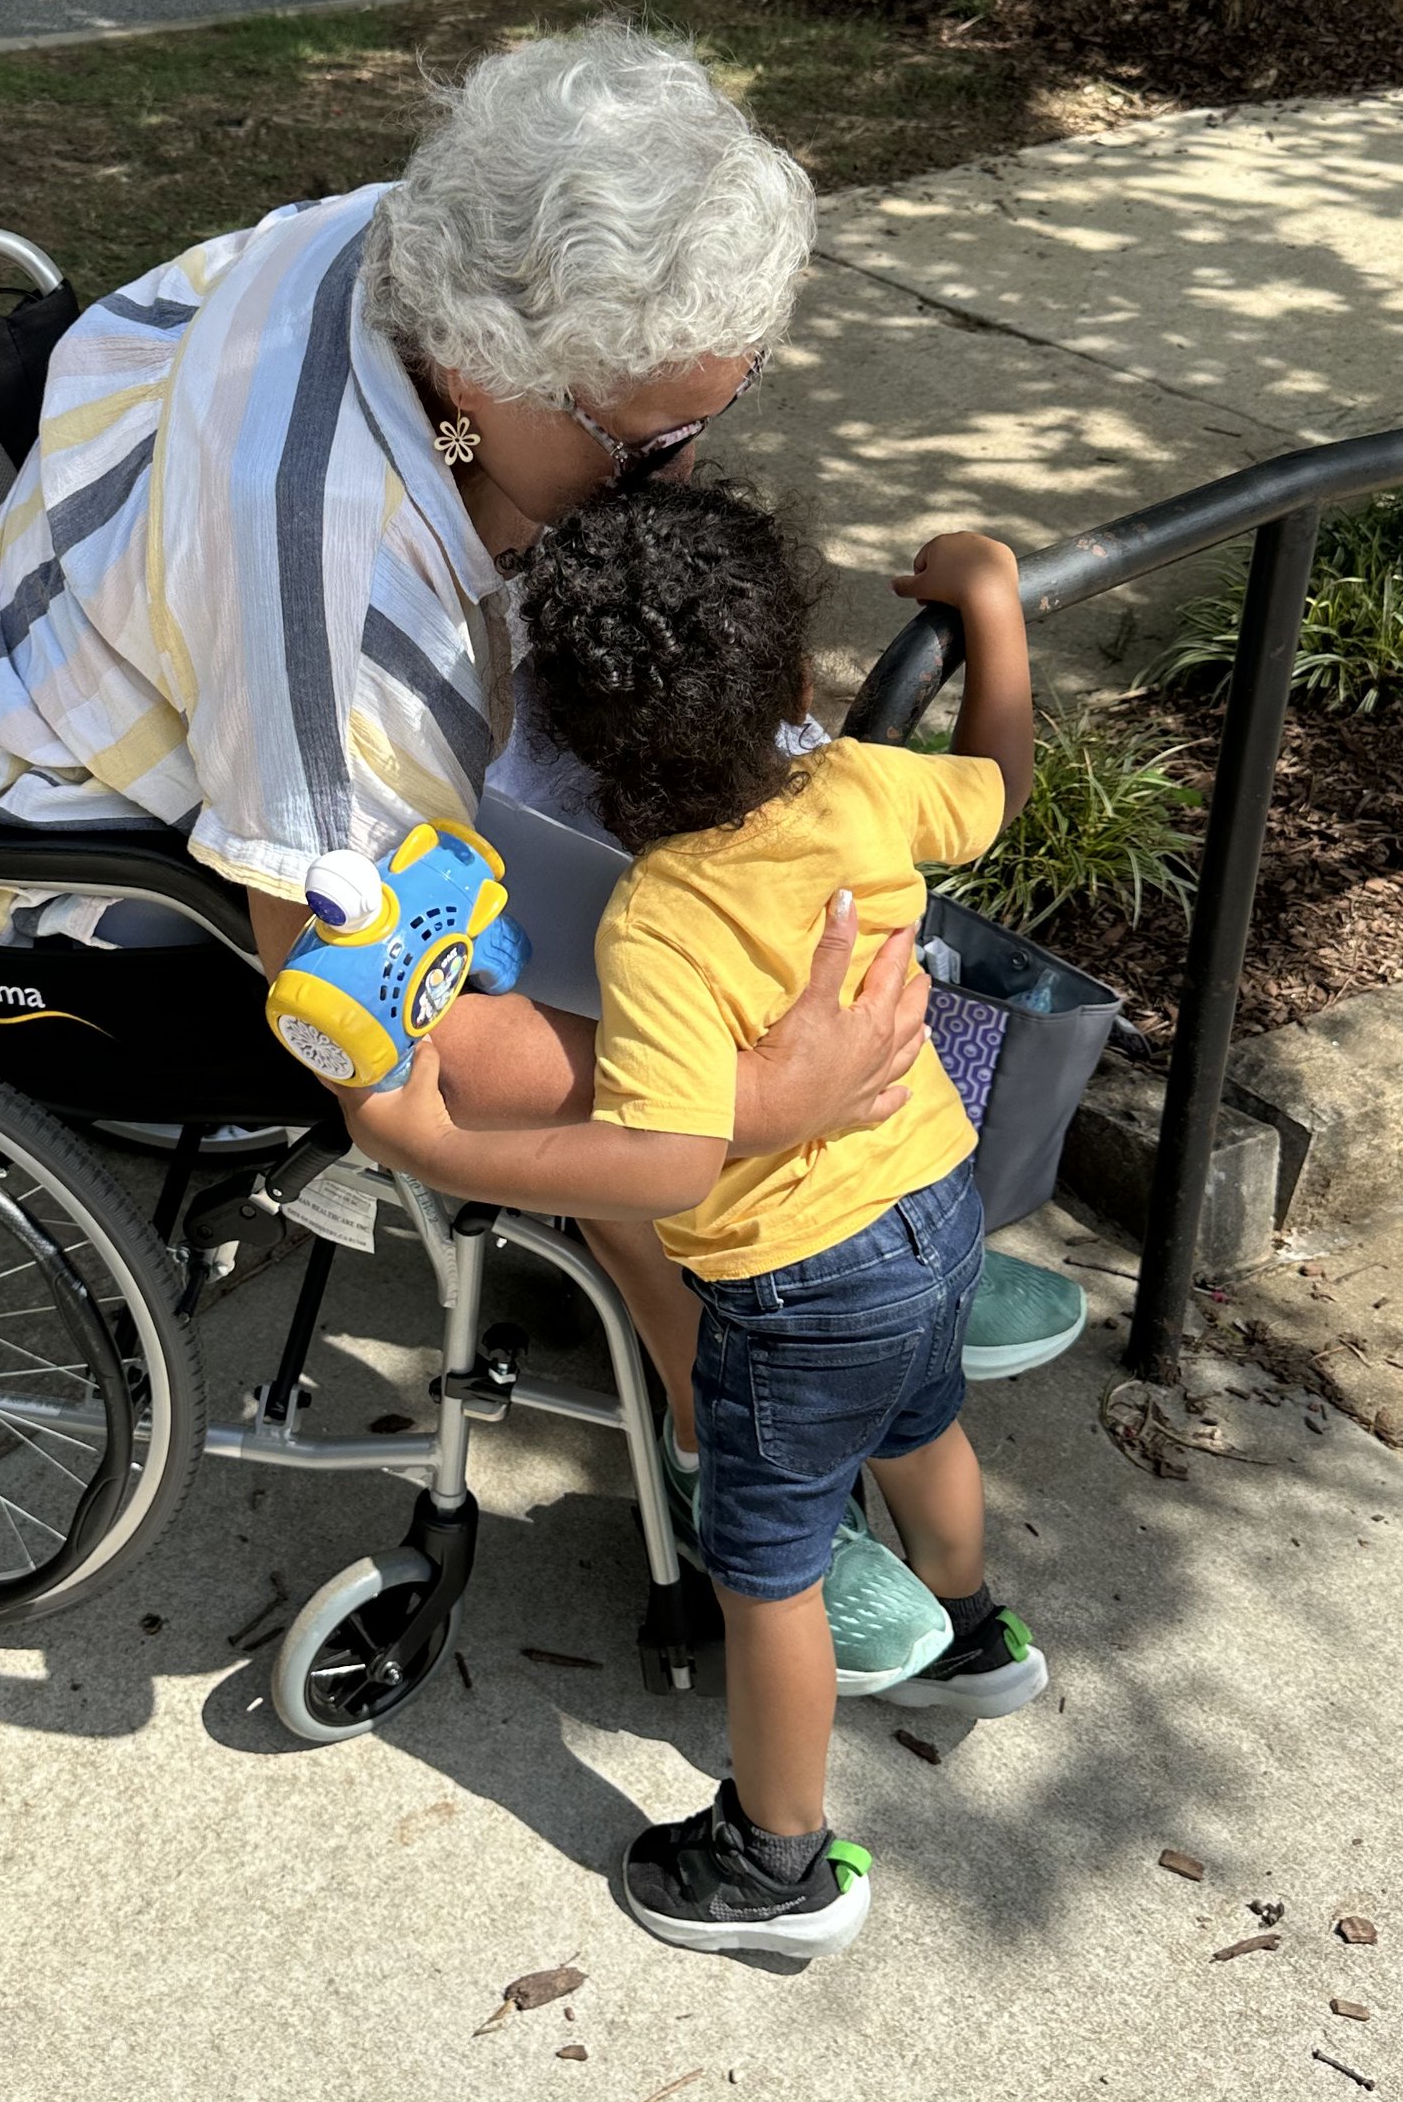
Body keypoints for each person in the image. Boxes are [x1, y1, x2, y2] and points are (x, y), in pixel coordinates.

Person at [0, 22, 966, 1666]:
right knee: (668, 1027)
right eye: (648, 443)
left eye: (713, 410)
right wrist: (753, 1107)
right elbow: (398, 1052)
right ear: (488, 378)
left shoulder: (448, 236)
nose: (677, 467)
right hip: (77, 876)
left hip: (158, 676)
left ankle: (853, 1248)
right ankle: (740, 1395)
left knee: (693, 920)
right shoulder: (317, 589)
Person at [358, 478, 1044, 1962]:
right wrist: (992, 612)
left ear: (581, 751)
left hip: (798, 1288)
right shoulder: (861, 783)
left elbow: (666, 1163)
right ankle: (976, 1634)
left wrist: (435, 1134)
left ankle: (778, 1858)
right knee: (926, 1425)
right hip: (937, 1202)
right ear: (797, 682)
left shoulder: (657, 917)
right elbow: (992, 789)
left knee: (770, 1573)